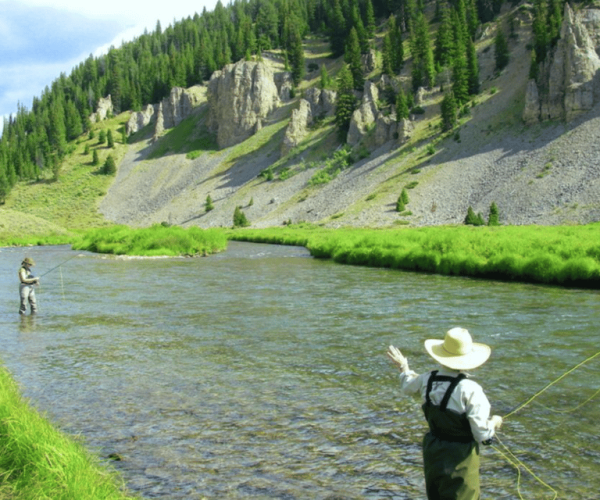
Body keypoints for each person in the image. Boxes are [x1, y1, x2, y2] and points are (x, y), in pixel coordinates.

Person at [387, 327, 503, 500]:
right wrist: (494, 421)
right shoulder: (471, 390)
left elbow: (407, 386)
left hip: (433, 450)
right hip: (460, 457)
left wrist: (404, 367)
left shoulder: (427, 379)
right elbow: (482, 436)